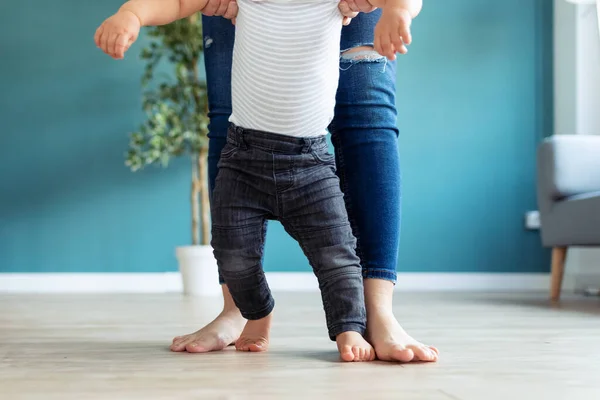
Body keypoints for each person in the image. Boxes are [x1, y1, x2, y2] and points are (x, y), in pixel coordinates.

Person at [96, 0, 438, 363]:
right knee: (232, 250)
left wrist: (398, 11)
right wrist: (131, 14)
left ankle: (361, 320)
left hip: (312, 166)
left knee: (337, 252)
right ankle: (245, 310)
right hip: (241, 158)